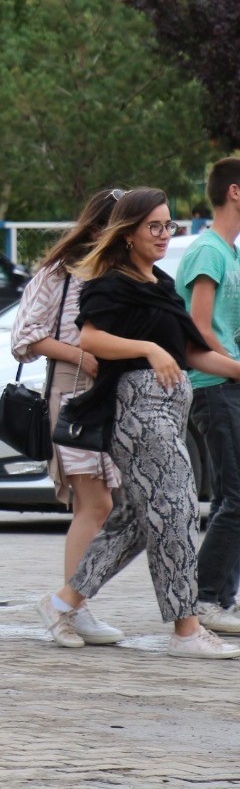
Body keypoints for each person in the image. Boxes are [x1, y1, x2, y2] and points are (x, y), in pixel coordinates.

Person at [34, 188, 240, 658]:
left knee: (136, 521)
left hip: (171, 410)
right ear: (128, 233)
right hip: (139, 411)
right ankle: (187, 630)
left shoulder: (161, 285)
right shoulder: (109, 283)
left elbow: (192, 352)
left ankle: (62, 601)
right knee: (179, 510)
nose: (164, 235)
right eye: (155, 226)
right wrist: (147, 349)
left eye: (169, 226)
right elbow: (91, 338)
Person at [9, 190, 124, 644]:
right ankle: (66, 608)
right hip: (73, 394)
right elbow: (25, 336)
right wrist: (82, 356)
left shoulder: (118, 273)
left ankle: (74, 604)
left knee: (101, 505)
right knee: (96, 504)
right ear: (99, 227)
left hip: (109, 396)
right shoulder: (60, 273)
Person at [177, 161, 240, 636]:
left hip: (227, 384)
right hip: (215, 388)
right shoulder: (208, 251)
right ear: (234, 192)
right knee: (236, 497)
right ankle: (205, 598)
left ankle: (217, 597)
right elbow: (198, 330)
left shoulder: (228, 252)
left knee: (230, 497)